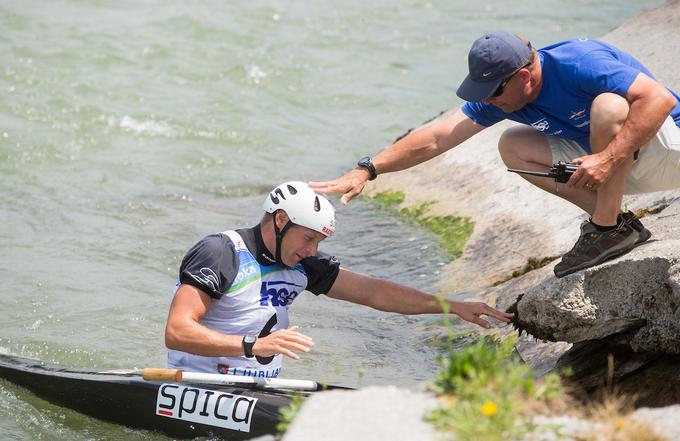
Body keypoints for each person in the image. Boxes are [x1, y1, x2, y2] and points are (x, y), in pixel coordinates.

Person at [309, 31, 680, 278]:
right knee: (513, 146)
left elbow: (659, 99)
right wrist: (368, 168)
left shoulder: (577, 61)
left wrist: (609, 158)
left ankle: (604, 228)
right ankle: (615, 228)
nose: (486, 100)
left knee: (609, 106)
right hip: (615, 165)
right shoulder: (505, 99)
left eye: (492, 91)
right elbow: (437, 138)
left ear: (523, 76)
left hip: (668, 150)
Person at [164, 181, 512, 377]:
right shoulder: (221, 252)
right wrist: (252, 346)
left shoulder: (304, 263)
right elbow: (177, 332)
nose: (313, 251)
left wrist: (452, 306)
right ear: (281, 220)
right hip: (197, 386)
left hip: (259, 391)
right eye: (309, 239)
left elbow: (374, 293)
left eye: (319, 243)